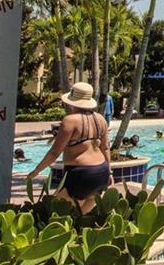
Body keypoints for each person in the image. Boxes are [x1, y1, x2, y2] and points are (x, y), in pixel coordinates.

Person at [26, 82, 112, 214]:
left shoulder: (70, 121)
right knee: (81, 215)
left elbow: (54, 152)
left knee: (55, 212)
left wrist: (36, 171)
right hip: (101, 171)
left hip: (80, 174)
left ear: (72, 102)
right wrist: (109, 173)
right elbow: (105, 148)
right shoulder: (100, 119)